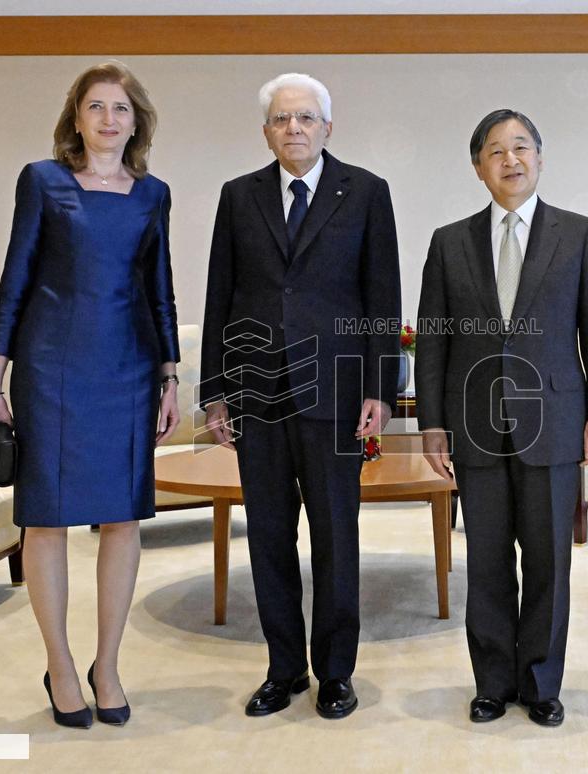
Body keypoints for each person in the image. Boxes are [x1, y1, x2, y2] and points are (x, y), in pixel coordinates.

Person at [0, 62, 179, 729]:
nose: (109, 119)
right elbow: (14, 282)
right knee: (47, 518)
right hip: (52, 368)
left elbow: (160, 289)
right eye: (96, 106)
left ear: (136, 122)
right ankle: (60, 664)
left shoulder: (153, 195)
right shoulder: (43, 181)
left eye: (121, 108)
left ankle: (107, 664)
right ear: (77, 118)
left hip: (129, 367)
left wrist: (171, 377)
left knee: (123, 518)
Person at [200, 73, 400, 719]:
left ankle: (335, 672)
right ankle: (283, 668)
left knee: (336, 536)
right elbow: (220, 295)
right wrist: (215, 391)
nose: (295, 128)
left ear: (327, 128)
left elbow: (382, 297)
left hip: (336, 392)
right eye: (282, 119)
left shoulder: (366, 192)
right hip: (257, 392)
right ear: (266, 131)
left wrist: (381, 389)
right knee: (268, 535)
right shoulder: (239, 196)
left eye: (306, 117)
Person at [415, 109, 588, 726]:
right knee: (487, 561)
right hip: (474, 423)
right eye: (497, 151)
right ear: (478, 168)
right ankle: (492, 682)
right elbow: (433, 338)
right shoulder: (449, 242)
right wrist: (432, 423)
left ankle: (542, 683)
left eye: (522, 147)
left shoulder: (578, 234)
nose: (511, 160)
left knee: (549, 560)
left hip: (553, 419)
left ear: (540, 158)